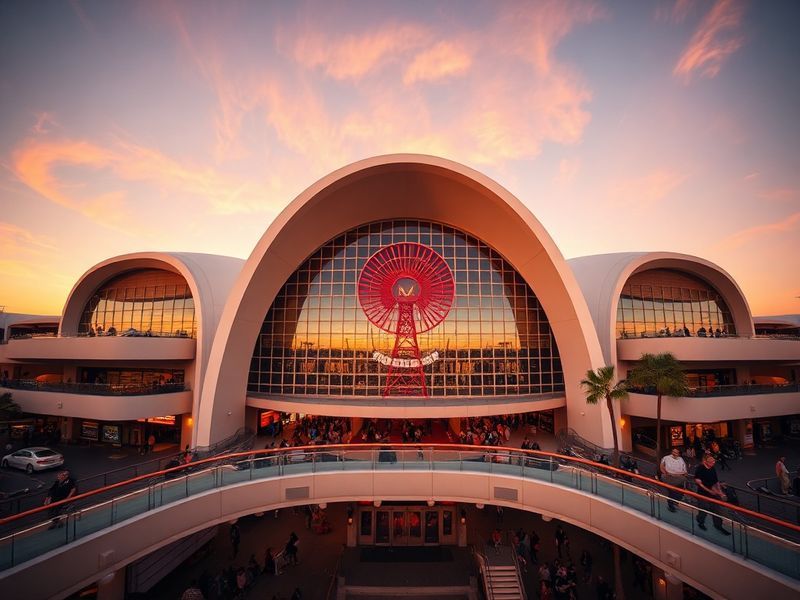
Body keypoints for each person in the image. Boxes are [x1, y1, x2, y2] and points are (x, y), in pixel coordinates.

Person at [693, 453, 730, 534]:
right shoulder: (700, 469)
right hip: (702, 493)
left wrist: (720, 492)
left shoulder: (712, 468)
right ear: (705, 461)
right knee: (704, 508)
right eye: (711, 461)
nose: (713, 462)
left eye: (714, 460)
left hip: (712, 492)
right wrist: (710, 491)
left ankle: (718, 526)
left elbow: (716, 481)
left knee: (717, 509)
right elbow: (700, 484)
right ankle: (700, 522)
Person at [660, 447, 688, 512]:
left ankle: (675, 502)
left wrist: (682, 474)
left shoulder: (681, 459)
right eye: (673, 452)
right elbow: (661, 467)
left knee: (679, 491)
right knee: (672, 491)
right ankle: (671, 505)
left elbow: (685, 471)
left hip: (679, 477)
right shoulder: (666, 458)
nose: (674, 453)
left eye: (676, 452)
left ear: (678, 453)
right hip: (669, 477)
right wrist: (667, 473)